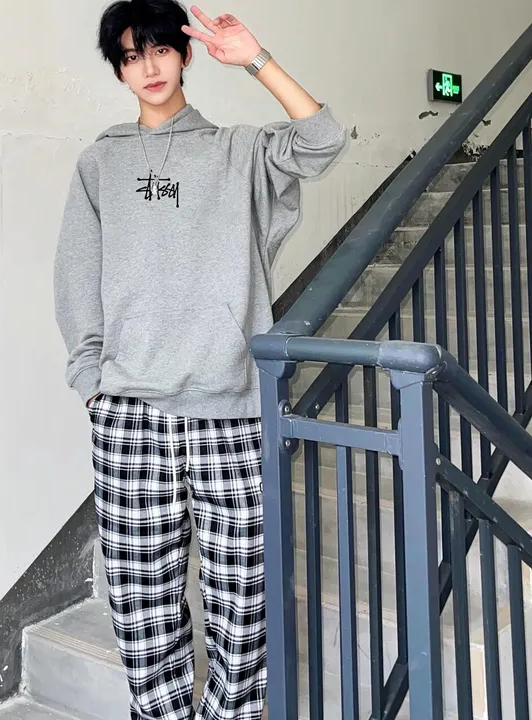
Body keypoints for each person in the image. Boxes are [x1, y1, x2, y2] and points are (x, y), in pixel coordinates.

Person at [53, 1, 346, 717]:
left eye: (159, 49)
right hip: (130, 415)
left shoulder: (239, 152)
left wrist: (256, 60)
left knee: (244, 600)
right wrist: (91, 381)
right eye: (131, 56)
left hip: (231, 408)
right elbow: (77, 276)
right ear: (119, 71)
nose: (148, 67)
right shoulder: (100, 162)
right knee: (141, 605)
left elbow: (323, 139)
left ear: (184, 55)